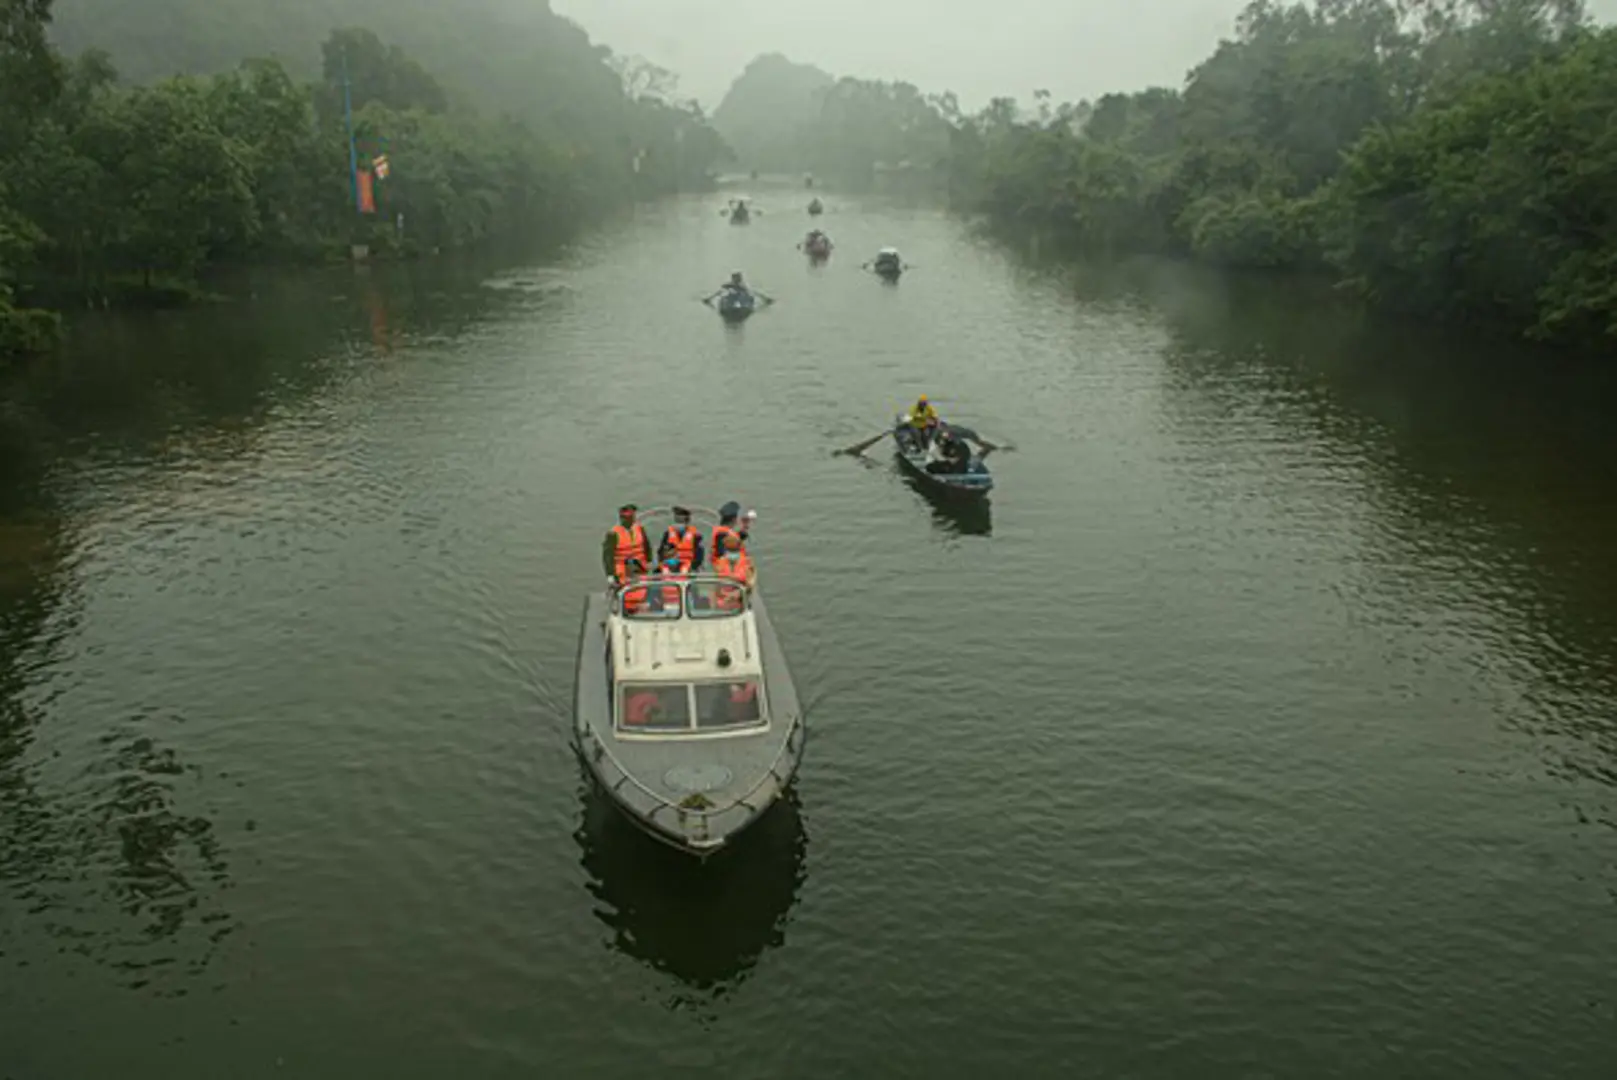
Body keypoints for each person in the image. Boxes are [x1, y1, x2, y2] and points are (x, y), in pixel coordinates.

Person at [603, 504, 652, 584]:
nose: (630, 520)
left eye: (631, 518)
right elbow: (608, 556)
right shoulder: (613, 534)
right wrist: (610, 574)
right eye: (626, 518)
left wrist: (649, 560)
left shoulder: (639, 529)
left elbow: (647, 546)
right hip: (622, 569)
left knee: (643, 586)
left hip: (640, 566)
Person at [660, 506, 704, 572]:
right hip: (671, 563)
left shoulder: (695, 535)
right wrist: (663, 560)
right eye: (677, 521)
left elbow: (699, 552)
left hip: (689, 563)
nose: (678, 524)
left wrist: (695, 566)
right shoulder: (668, 533)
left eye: (681, 521)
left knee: (685, 572)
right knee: (664, 570)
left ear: (687, 522)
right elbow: (661, 550)